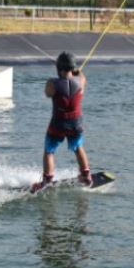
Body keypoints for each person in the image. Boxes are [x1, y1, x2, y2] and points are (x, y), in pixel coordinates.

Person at [32, 52, 91, 193]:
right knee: (78, 147)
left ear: (59, 68)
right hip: (75, 123)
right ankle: (86, 175)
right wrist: (77, 71)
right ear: (72, 68)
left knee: (49, 151)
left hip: (58, 123)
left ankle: (47, 180)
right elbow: (82, 77)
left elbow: (48, 94)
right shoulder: (80, 81)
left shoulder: (52, 83)